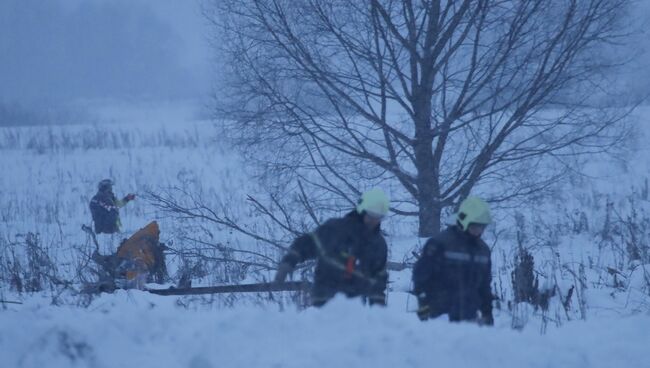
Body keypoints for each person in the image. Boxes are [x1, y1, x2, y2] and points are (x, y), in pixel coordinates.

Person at [274, 188, 390, 307]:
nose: (374, 220)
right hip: (324, 301)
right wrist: (288, 262)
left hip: (354, 308)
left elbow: (378, 280)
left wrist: (378, 309)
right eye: (372, 215)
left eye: (379, 216)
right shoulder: (335, 229)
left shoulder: (378, 245)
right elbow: (307, 244)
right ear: (361, 210)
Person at [412, 196, 494, 325]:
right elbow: (420, 278)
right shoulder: (439, 244)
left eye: (482, 227)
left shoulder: (483, 251)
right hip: (439, 318)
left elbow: (484, 286)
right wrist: (423, 309)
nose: (479, 230)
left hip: (469, 318)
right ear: (463, 221)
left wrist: (487, 313)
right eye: (475, 226)